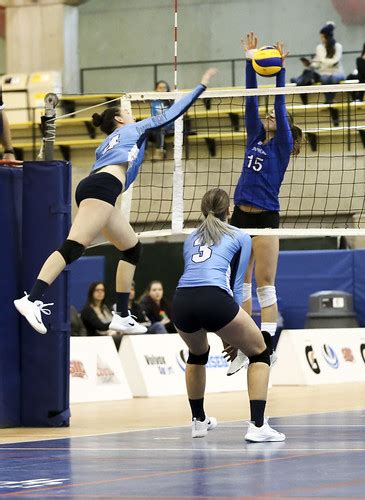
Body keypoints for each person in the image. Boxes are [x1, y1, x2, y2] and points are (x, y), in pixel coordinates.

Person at [14, 68, 218, 335]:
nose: (134, 115)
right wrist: (201, 86)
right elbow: (171, 114)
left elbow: (127, 159)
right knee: (74, 247)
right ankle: (32, 298)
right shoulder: (134, 128)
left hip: (100, 188)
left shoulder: (107, 142)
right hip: (103, 188)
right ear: (121, 119)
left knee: (132, 249)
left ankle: (121, 315)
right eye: (129, 113)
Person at [172, 187, 285, 442]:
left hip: (181, 302)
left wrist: (229, 336)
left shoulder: (190, 238)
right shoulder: (240, 236)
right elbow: (236, 287)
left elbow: (194, 277)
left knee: (197, 354)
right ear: (229, 211)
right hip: (215, 299)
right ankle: (258, 426)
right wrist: (233, 337)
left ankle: (198, 421)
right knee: (259, 351)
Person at [227, 32, 302, 376]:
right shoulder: (255, 137)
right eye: (268, 114)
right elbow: (251, 101)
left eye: (276, 116)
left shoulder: (282, 145)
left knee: (265, 285)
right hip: (241, 214)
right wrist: (250, 60)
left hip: (267, 218)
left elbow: (280, 104)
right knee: (239, 284)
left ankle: (266, 349)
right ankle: (245, 346)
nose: (270, 114)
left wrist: (281, 71)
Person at [291, 22, 345, 105]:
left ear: (326, 36)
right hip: (325, 73)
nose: (321, 39)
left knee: (332, 79)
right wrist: (310, 64)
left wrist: (322, 61)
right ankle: (329, 100)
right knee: (323, 78)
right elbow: (318, 63)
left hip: (337, 73)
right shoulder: (319, 48)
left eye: (322, 37)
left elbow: (334, 61)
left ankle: (329, 100)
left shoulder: (338, 46)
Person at [80, 281, 122, 347]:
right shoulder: (87, 310)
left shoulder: (106, 308)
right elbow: (100, 327)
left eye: (102, 290)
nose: (100, 292)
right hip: (95, 340)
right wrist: (117, 322)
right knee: (121, 339)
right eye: (97, 290)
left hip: (108, 337)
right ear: (91, 293)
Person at [148, 80, 174, 160]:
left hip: (170, 127)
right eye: (160, 88)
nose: (162, 89)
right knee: (145, 129)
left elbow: (173, 118)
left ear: (167, 89)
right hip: (158, 126)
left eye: (164, 88)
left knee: (159, 128)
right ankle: (143, 153)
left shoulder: (171, 100)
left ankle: (159, 152)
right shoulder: (154, 102)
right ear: (156, 89)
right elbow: (153, 116)